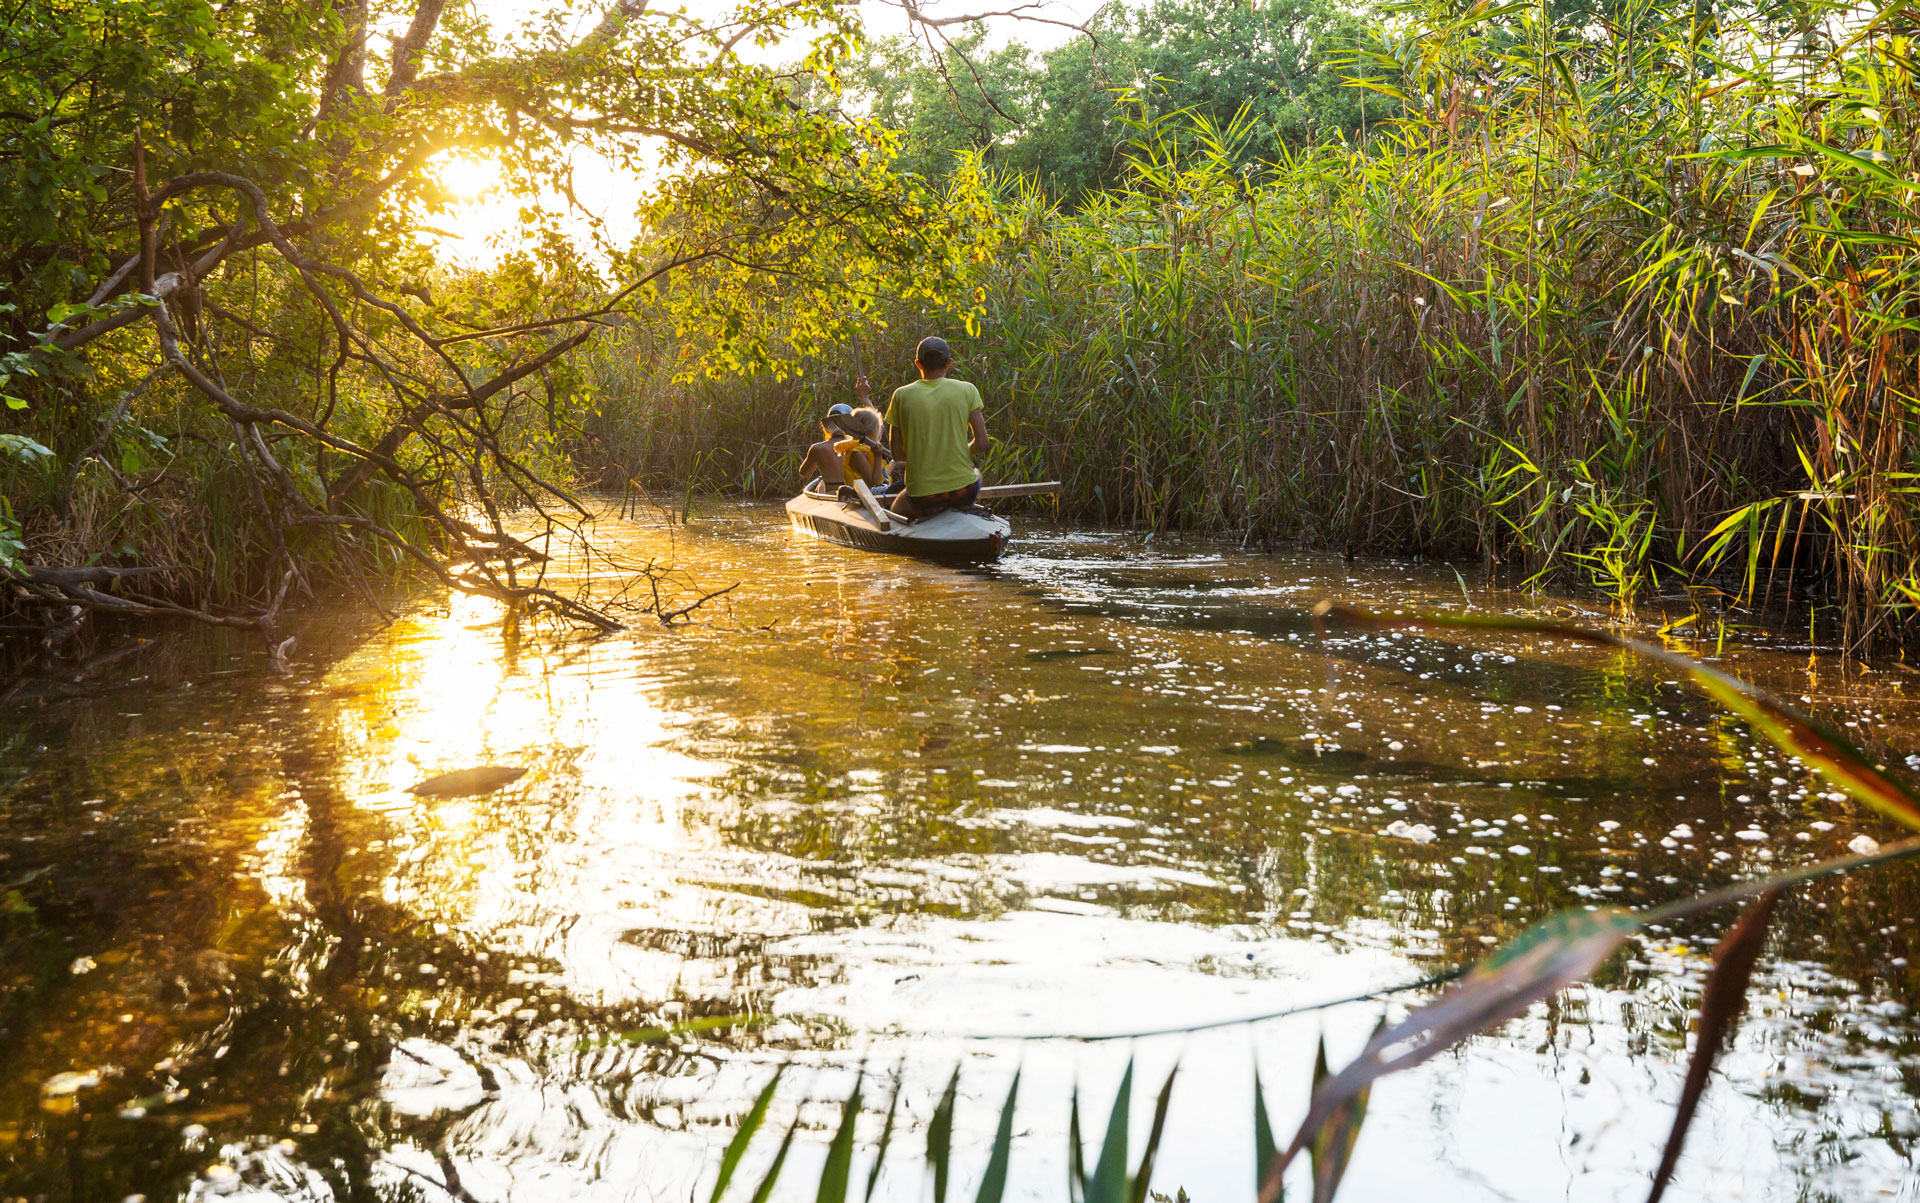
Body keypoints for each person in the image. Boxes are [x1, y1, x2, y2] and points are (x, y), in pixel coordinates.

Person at [883, 336, 988, 519]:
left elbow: (897, 455)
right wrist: (963, 451)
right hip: (963, 492)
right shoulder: (968, 390)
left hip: (923, 497)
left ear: (918, 364)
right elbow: (983, 443)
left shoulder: (901, 395)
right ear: (948, 363)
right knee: (976, 473)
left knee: (894, 513)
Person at [799, 393, 886, 492]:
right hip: (852, 493)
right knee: (821, 483)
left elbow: (804, 473)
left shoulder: (817, 448)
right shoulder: (864, 445)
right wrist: (864, 398)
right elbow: (879, 426)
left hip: (833, 495)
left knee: (822, 484)